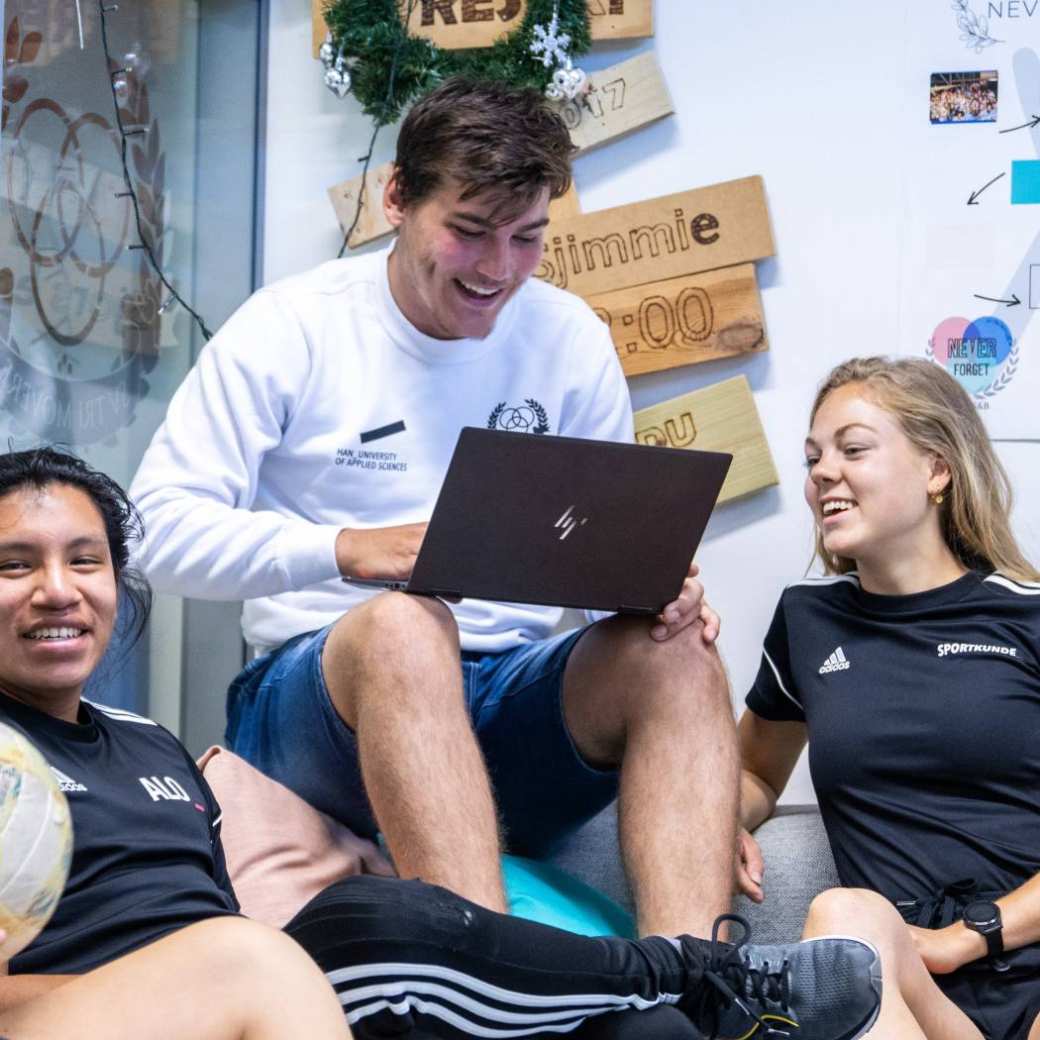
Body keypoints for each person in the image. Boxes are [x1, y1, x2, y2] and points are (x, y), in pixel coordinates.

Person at [129, 76, 735, 941]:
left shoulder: (570, 337)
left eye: (527, 238)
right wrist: (346, 549)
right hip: (317, 708)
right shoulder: (292, 324)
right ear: (397, 200)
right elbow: (153, 534)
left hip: (504, 704)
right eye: (469, 231)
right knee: (409, 626)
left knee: (672, 649)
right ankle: (489, 978)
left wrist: (654, 601)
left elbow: (601, 571)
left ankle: (696, 984)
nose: (498, 269)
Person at [0, 446, 883, 1040]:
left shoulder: (148, 744)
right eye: (15, 566)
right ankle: (692, 974)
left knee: (621, 1022)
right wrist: (198, 977)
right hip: (125, 1008)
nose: (57, 591)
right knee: (300, 936)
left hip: (250, 1002)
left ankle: (678, 994)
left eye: (85, 561)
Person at [735, 356, 1040, 1039]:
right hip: (915, 987)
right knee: (844, 917)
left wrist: (969, 936)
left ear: (937, 470)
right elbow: (754, 770)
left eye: (853, 449)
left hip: (1019, 956)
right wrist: (720, 818)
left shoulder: (1027, 617)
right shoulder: (808, 621)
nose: (821, 473)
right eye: (814, 456)